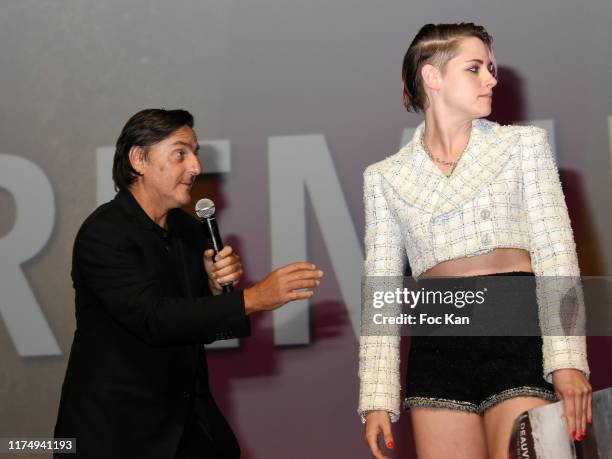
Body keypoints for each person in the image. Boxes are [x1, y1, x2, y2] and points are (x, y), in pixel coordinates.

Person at [358, 23, 592, 459]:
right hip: (438, 346)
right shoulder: (385, 177)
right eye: (475, 68)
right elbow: (383, 294)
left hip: (518, 337)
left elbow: (557, 255)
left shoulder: (523, 146)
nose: (491, 79)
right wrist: (376, 398)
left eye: (490, 67)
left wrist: (567, 360)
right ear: (433, 77)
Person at [54, 108, 323, 459]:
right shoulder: (104, 233)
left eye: (194, 154)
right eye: (180, 153)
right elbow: (155, 320)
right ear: (139, 159)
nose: (195, 167)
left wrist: (213, 289)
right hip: (117, 434)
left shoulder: (189, 231)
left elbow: (204, 328)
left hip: (187, 427)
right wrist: (254, 298)